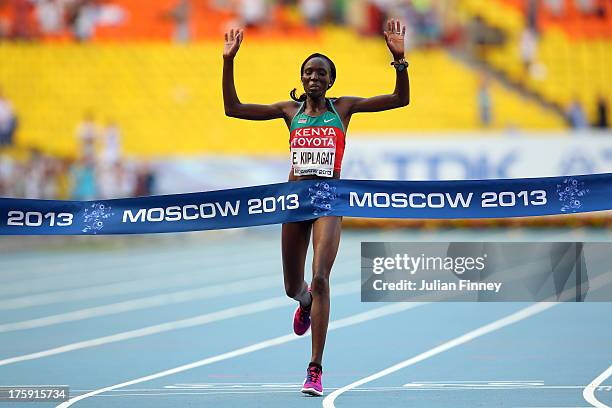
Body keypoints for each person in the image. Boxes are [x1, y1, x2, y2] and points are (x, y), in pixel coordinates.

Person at [222, 19, 410, 396]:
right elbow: (234, 108)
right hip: (295, 201)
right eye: (308, 72)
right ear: (302, 78)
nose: (313, 77)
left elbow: (399, 99)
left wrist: (399, 60)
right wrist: (228, 61)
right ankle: (304, 302)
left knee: (321, 276)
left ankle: (314, 369)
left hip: (328, 200)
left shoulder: (344, 108)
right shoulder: (288, 112)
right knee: (293, 286)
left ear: (330, 81)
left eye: (320, 73)